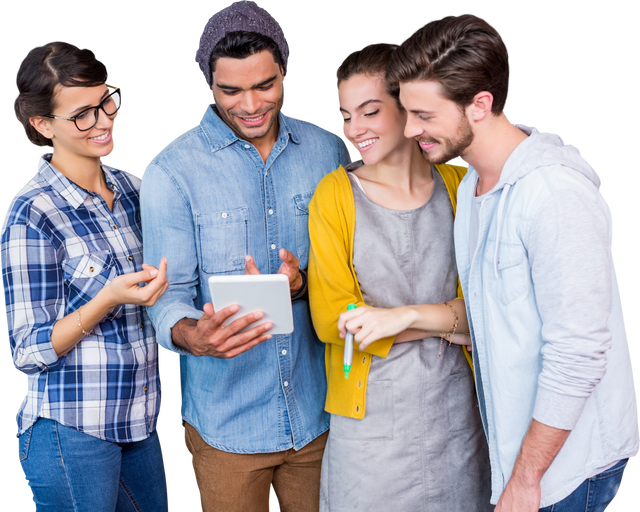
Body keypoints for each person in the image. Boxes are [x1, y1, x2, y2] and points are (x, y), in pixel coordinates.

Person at [385, 11, 640, 512]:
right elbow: (497, 322)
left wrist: (526, 480)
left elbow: (579, 353)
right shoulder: (476, 193)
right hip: (521, 463)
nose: (410, 129)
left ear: (479, 105)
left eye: (425, 115)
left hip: (565, 473)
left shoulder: (553, 195)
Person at [139, 1, 352, 511]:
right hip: (225, 429)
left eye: (266, 85)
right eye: (230, 90)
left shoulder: (329, 149)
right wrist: (194, 336)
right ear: (207, 85)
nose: (251, 104)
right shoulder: (170, 170)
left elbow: (358, 265)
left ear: (285, 74)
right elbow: (165, 298)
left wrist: (304, 284)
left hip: (321, 416)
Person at [307, 40, 492, 511]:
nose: (353, 129)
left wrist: (392, 319)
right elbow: (334, 321)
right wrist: (447, 320)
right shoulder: (334, 195)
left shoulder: (458, 183)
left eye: (369, 111)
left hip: (457, 417)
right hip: (369, 430)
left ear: (408, 109)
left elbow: (488, 309)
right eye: (345, 116)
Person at [3, 38, 171, 511]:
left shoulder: (136, 188)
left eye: (107, 101)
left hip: (140, 423)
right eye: (82, 114)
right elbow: (28, 348)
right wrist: (107, 299)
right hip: (70, 432)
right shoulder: (32, 212)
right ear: (41, 124)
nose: (104, 121)